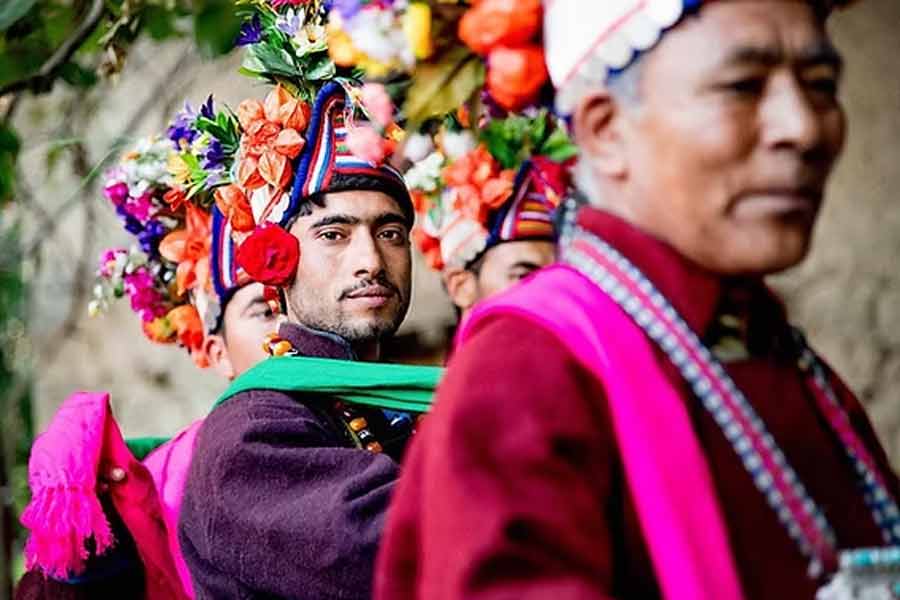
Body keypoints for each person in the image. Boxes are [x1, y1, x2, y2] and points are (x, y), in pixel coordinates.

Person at [375, 1, 900, 599]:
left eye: (822, 85)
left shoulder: (777, 351)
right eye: (742, 87)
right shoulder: (526, 372)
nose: (803, 128)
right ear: (605, 130)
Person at [175, 5, 443, 599]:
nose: (370, 260)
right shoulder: (253, 436)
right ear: (278, 259)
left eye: (391, 233)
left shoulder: (385, 401)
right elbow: (422, 547)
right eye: (333, 235)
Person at [15, 131, 282, 600]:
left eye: (292, 308)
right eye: (263, 311)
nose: (285, 328)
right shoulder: (176, 477)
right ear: (216, 351)